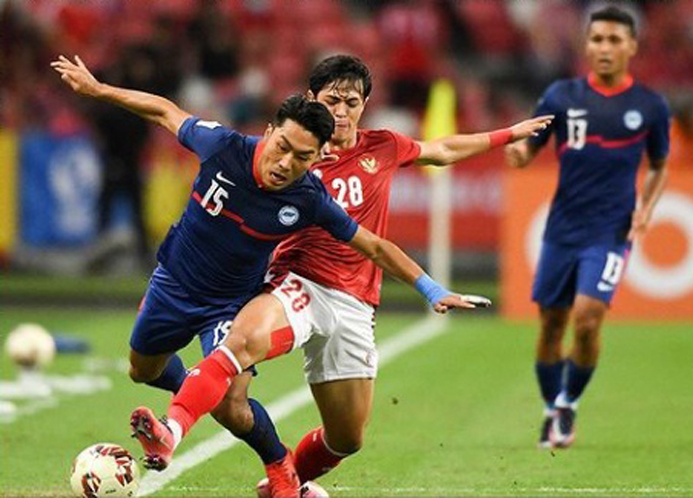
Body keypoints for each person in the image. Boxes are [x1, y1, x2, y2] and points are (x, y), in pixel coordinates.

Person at [51, 55, 483, 497]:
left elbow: (372, 245)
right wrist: (98, 89)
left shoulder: (310, 197)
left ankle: (273, 464)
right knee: (141, 370)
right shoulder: (223, 146)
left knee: (232, 407)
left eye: (301, 158)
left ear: (316, 159)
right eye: (282, 148)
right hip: (174, 283)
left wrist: (429, 287)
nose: (285, 164)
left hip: (231, 302)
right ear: (271, 131)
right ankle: (201, 387)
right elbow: (164, 110)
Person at [258, 55, 553, 489]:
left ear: (366, 104)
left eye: (351, 102)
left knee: (347, 437)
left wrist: (507, 133)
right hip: (296, 282)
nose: (341, 112)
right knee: (238, 354)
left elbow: (443, 149)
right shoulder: (292, 153)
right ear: (311, 100)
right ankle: (186, 407)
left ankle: (285, 481)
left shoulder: (383, 146)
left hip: (355, 300)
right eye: (332, 101)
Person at [504, 6, 670, 450]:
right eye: (598, 39)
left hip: (611, 230)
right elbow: (530, 144)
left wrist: (647, 207)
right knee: (552, 324)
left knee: (588, 318)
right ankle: (550, 408)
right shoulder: (561, 96)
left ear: (632, 46)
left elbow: (658, 166)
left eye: (615, 40)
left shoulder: (650, 106)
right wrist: (519, 153)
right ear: (586, 44)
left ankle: (568, 404)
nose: (605, 48)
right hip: (562, 229)